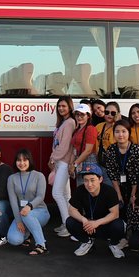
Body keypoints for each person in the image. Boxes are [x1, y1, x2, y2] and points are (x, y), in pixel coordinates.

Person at [65, 166, 126, 258]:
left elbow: (115, 214)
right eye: (86, 180)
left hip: (105, 225)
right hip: (88, 226)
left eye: (92, 180)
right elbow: (71, 210)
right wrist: (84, 220)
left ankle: (114, 244)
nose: (89, 184)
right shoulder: (80, 190)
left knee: (118, 225)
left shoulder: (109, 191)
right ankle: (87, 242)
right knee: (70, 221)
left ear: (100, 179)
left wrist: (97, 223)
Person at [104, 119, 139, 242]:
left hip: (134, 187)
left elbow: (138, 174)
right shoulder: (111, 150)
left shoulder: (136, 149)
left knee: (133, 208)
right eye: (117, 132)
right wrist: (118, 193)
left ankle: (133, 235)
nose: (120, 135)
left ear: (129, 132)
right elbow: (112, 173)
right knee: (118, 208)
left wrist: (133, 194)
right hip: (118, 186)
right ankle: (119, 237)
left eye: (123, 131)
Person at [6, 150, 50, 255]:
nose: (22, 163)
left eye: (25, 160)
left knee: (27, 214)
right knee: (14, 240)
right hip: (22, 214)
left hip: (40, 212)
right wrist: (18, 221)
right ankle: (28, 233)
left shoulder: (39, 176)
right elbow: (13, 202)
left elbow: (40, 196)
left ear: (30, 161)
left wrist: (30, 206)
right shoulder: (11, 178)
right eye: (19, 160)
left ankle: (41, 245)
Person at [48, 96, 76, 239]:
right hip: (60, 161)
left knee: (57, 193)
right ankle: (67, 223)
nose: (61, 108)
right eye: (59, 106)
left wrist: (53, 158)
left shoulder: (70, 122)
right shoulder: (63, 122)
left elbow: (64, 146)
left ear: (70, 107)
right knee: (66, 195)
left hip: (64, 162)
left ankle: (68, 225)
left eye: (64, 106)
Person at [70, 103, 109, 189]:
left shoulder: (90, 129)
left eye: (82, 114)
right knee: (81, 189)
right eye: (77, 114)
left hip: (89, 162)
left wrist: (74, 164)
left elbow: (88, 150)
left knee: (88, 190)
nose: (79, 117)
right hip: (80, 161)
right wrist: (72, 164)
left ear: (88, 116)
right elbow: (74, 149)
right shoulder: (77, 130)